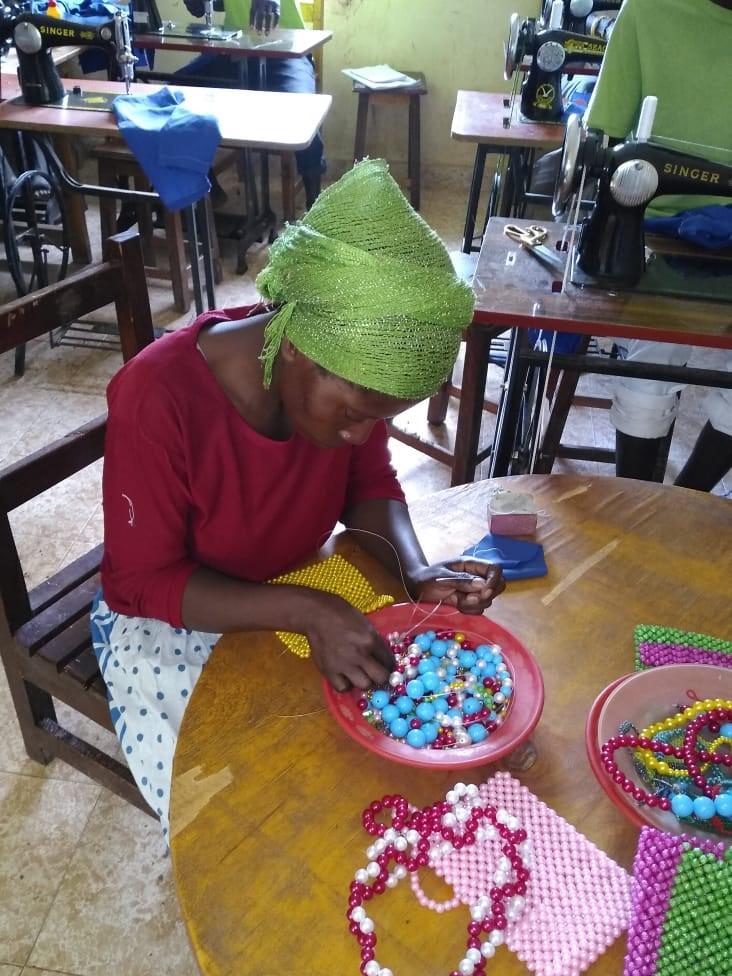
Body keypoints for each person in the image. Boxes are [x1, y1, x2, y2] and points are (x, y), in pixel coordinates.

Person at [91, 159, 505, 839]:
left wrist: (416, 570)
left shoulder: (338, 383)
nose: (360, 434)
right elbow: (140, 582)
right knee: (242, 815)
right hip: (175, 614)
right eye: (354, 415)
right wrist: (308, 608)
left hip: (296, 579)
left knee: (360, 750)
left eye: (382, 418)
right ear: (296, 353)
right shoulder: (157, 398)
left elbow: (369, 487)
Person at [532, 0, 732, 491]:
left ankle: (687, 498)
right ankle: (639, 502)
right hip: (653, 223)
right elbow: (607, 141)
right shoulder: (648, 11)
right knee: (650, 357)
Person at [176, 0, 325, 205]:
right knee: (174, 97)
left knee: (304, 115)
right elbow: (208, 7)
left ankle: (315, 204)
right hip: (233, 50)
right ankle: (207, 186)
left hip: (287, 50)